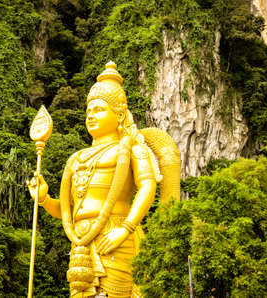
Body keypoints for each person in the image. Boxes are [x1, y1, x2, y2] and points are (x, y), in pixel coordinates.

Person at [27, 61, 168, 298]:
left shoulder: (132, 148)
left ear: (120, 114)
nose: (91, 116)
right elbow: (67, 210)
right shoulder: (76, 158)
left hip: (116, 235)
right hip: (80, 244)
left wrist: (125, 229)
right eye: (88, 111)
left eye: (99, 110)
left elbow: (147, 186)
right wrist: (43, 200)